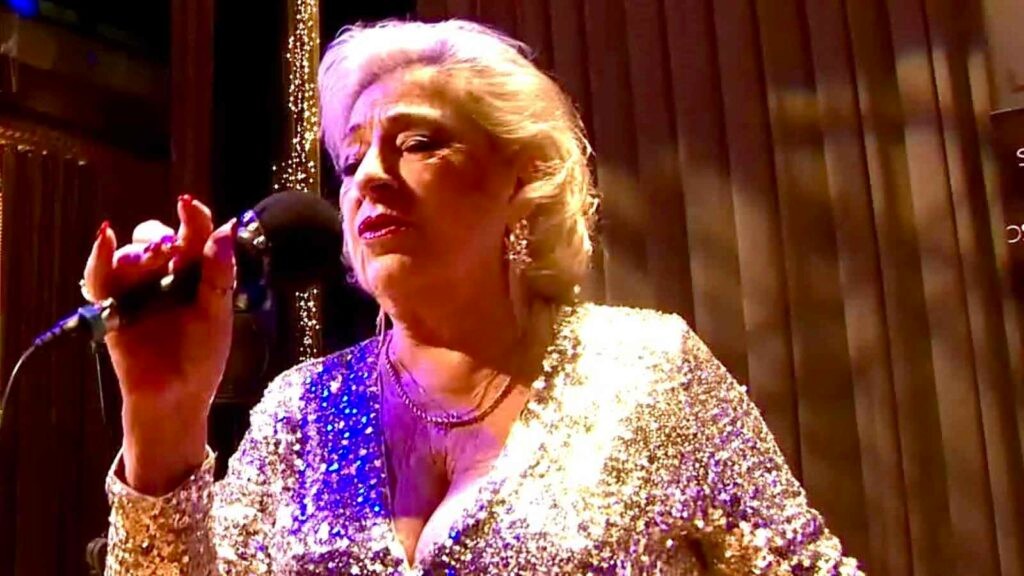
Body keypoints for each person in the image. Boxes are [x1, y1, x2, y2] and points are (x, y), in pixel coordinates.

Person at [86, 19, 861, 575]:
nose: (371, 177)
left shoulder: (648, 374)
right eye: (351, 162)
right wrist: (163, 425)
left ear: (523, 179)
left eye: (419, 143)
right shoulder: (303, 410)